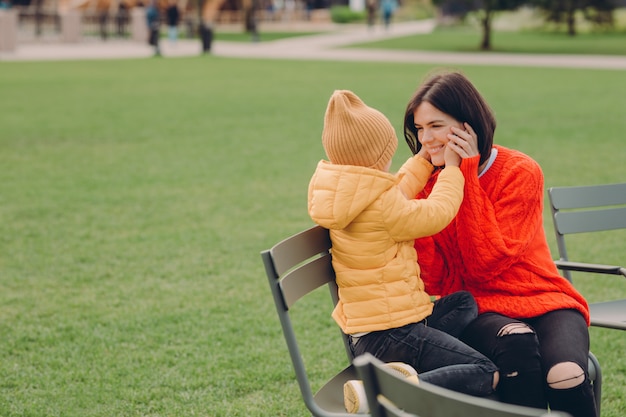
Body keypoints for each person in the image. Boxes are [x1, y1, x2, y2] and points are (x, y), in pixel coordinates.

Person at [403, 70, 596, 417]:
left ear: (468, 126)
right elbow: (433, 277)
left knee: (565, 374)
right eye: (419, 128)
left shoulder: (520, 171)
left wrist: (466, 174)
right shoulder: (429, 186)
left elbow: (486, 260)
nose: (425, 139)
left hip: (544, 298)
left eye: (435, 126)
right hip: (477, 306)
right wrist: (424, 192)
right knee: (516, 343)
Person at [308, 90, 499, 414]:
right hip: (391, 335)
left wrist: (423, 159)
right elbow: (436, 213)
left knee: (462, 302)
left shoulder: (348, 191)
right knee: (486, 372)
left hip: (373, 331)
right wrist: (452, 169)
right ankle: (388, 390)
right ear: (376, 155)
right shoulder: (381, 207)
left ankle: (405, 372)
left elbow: (396, 188)